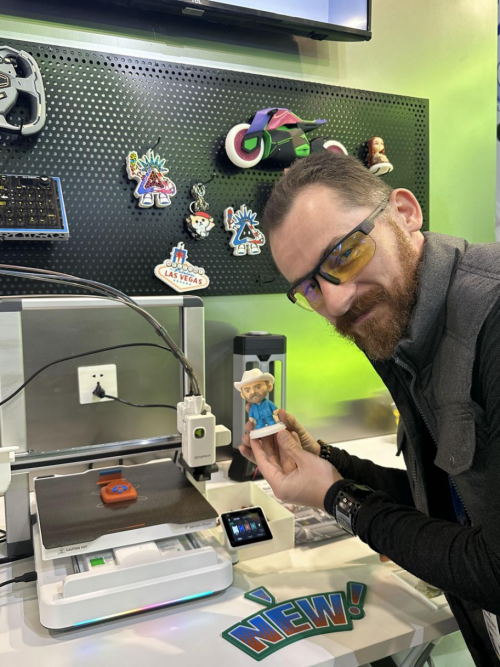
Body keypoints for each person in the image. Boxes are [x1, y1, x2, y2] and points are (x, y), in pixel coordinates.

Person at [238, 151, 500, 666]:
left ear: (405, 212)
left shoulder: (491, 322)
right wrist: (325, 459)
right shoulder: (403, 328)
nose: (335, 303)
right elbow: (453, 506)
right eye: (309, 287)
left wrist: (336, 497)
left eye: (344, 254)